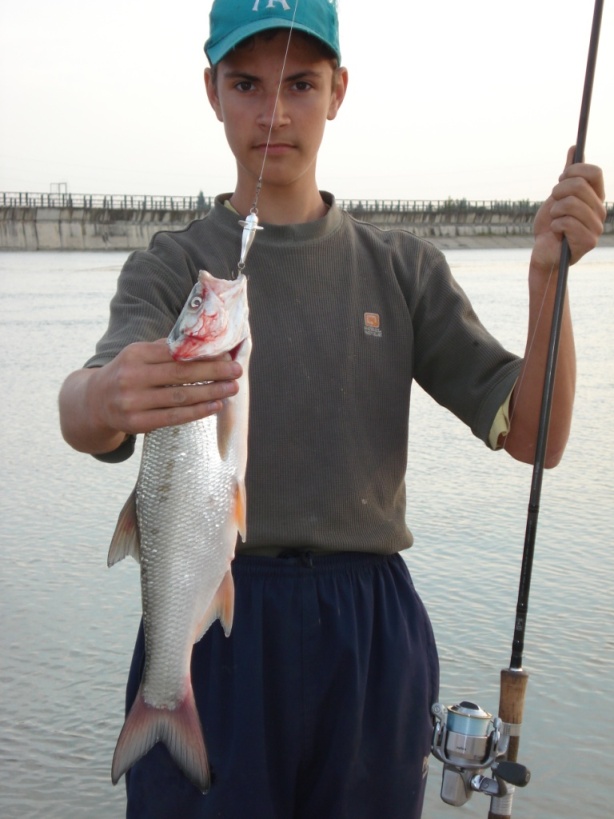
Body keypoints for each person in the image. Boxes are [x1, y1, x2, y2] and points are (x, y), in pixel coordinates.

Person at [58, 1, 606, 817]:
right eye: (247, 83)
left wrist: (546, 281)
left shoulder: (402, 268)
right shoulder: (173, 268)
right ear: (211, 91)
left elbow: (537, 436)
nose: (274, 112)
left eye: (301, 84)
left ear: (338, 91)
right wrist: (104, 395)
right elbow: (82, 414)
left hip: (370, 632)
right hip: (213, 615)